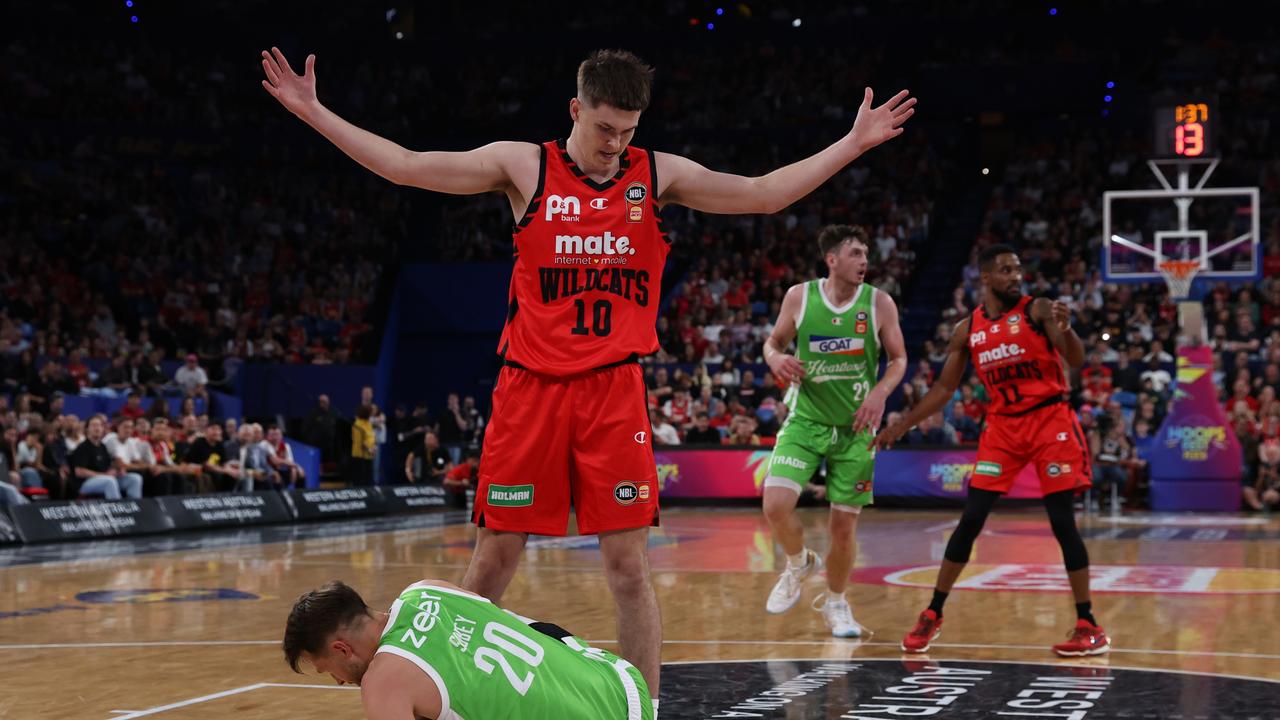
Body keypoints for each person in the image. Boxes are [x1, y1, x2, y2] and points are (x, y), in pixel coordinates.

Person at [262, 44, 914, 701]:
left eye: (628, 132)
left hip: (613, 390)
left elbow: (763, 195)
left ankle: (645, 708)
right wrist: (315, 112)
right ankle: (450, 698)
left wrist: (852, 144)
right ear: (575, 109)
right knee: (493, 561)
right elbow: (405, 167)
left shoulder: (654, 175)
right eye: (604, 129)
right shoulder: (523, 166)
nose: (614, 145)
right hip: (529, 388)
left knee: (628, 568)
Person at [873, 244, 1109, 657]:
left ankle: (1087, 623)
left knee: (1061, 521)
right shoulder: (968, 329)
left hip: (1049, 420)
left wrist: (1068, 329)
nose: (1015, 277)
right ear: (985, 278)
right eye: (1005, 270)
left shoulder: (1038, 310)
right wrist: (902, 424)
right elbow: (944, 389)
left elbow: (1075, 359)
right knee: (972, 519)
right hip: (1003, 427)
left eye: (1017, 269)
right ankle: (932, 613)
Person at [760, 224, 907, 637]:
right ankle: (797, 562)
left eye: (865, 254)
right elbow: (772, 342)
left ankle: (837, 603)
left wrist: (880, 394)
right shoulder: (799, 297)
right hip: (806, 419)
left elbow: (898, 360)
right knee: (775, 505)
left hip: (856, 428)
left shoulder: (879, 303)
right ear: (832, 260)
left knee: (843, 530)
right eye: (856, 253)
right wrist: (775, 359)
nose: (865, 261)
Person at [283, 579, 652, 720]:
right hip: (621, 683)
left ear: (342, 648)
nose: (338, 682)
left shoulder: (383, 682)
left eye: (327, 669)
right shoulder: (426, 589)